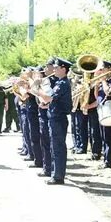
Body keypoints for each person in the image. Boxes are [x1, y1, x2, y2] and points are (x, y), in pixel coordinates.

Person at [34, 57, 72, 185]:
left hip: (58, 118)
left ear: (63, 69)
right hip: (55, 118)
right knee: (54, 147)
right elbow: (48, 101)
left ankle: (58, 176)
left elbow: (47, 98)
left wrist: (36, 88)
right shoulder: (59, 82)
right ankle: (55, 173)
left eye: (56, 68)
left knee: (58, 148)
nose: (54, 70)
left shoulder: (62, 84)